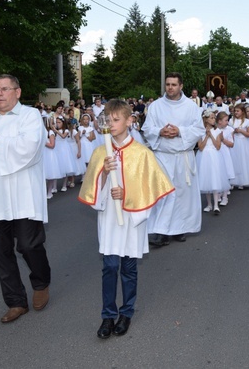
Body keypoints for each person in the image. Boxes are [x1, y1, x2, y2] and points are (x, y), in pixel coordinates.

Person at [78, 99, 174, 339]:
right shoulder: (101, 152)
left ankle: (126, 313)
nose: (111, 124)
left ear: (130, 120)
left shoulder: (141, 154)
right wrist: (104, 177)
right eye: (108, 120)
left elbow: (153, 187)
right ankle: (107, 315)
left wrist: (127, 194)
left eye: (116, 119)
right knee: (110, 266)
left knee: (129, 268)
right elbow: (92, 189)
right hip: (110, 215)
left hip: (132, 219)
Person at [0, 74, 51, 324]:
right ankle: (15, 301)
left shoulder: (30, 116)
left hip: (23, 191)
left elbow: (30, 147)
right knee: (1, 252)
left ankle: (41, 281)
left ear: (18, 91)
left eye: (5, 89)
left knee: (28, 244)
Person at [143, 72, 205, 246]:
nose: (170, 87)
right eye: (167, 84)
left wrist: (180, 132)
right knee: (164, 193)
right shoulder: (155, 106)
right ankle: (162, 231)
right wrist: (159, 132)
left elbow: (199, 130)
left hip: (183, 155)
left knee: (183, 194)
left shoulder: (191, 107)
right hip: (163, 155)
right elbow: (147, 128)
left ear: (181, 86)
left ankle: (180, 228)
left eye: (173, 84)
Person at [196, 110, 230, 214]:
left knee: (215, 178)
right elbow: (200, 147)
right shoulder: (200, 132)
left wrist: (211, 135)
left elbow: (218, 146)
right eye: (211, 117)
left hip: (214, 155)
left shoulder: (218, 131)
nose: (213, 119)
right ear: (205, 119)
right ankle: (209, 204)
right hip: (204, 156)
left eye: (214, 117)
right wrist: (206, 136)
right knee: (206, 178)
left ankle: (216, 205)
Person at [229, 103, 249, 189]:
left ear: (242, 112)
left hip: (244, 143)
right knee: (234, 161)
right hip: (234, 142)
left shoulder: (247, 122)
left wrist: (240, 131)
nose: (236, 112)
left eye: (237, 111)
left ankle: (243, 181)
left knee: (243, 161)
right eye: (235, 111)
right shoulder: (231, 121)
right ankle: (233, 181)